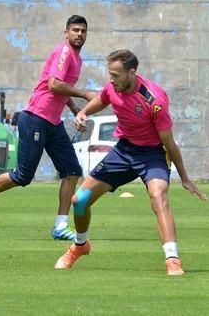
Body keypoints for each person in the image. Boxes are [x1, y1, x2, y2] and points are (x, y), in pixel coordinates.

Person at [54, 49, 206, 275]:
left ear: (132, 73)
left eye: (116, 75)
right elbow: (102, 99)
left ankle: (172, 259)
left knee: (158, 196)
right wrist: (84, 112)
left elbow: (169, 142)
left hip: (152, 154)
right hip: (123, 151)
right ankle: (80, 245)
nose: (111, 79)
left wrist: (184, 177)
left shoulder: (154, 100)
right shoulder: (112, 87)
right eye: (110, 74)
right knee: (80, 200)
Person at [0, 15, 96, 239]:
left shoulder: (77, 59)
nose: (79, 34)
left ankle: (60, 226)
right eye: (75, 30)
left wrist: (74, 109)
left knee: (72, 171)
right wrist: (84, 94)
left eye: (83, 31)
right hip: (35, 117)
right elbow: (54, 84)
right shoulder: (64, 52)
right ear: (66, 33)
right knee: (23, 176)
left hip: (53, 122)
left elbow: (61, 88)